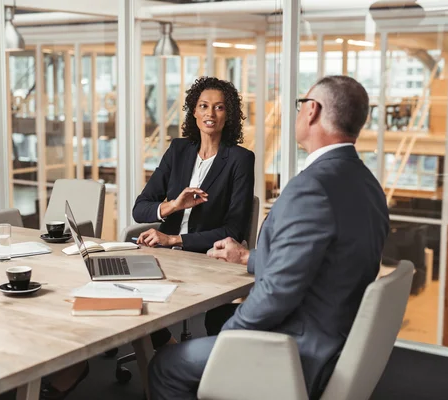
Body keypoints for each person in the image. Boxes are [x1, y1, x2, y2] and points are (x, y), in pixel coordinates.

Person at [147, 75, 390, 400]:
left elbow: (276, 294)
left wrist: (229, 342)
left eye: (301, 104)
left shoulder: (311, 188)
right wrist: (248, 257)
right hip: (336, 341)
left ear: (312, 111)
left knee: (166, 365)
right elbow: (323, 258)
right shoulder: (367, 183)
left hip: (296, 350)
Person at [133, 76, 255, 348]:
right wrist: (174, 205)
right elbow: (140, 209)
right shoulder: (178, 150)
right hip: (167, 255)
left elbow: (233, 231)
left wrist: (174, 240)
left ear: (228, 115)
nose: (210, 113)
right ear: (194, 112)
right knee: (130, 289)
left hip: (206, 256)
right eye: (203, 106)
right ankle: (168, 346)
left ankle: (179, 364)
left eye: (219, 107)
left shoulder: (239, 159)